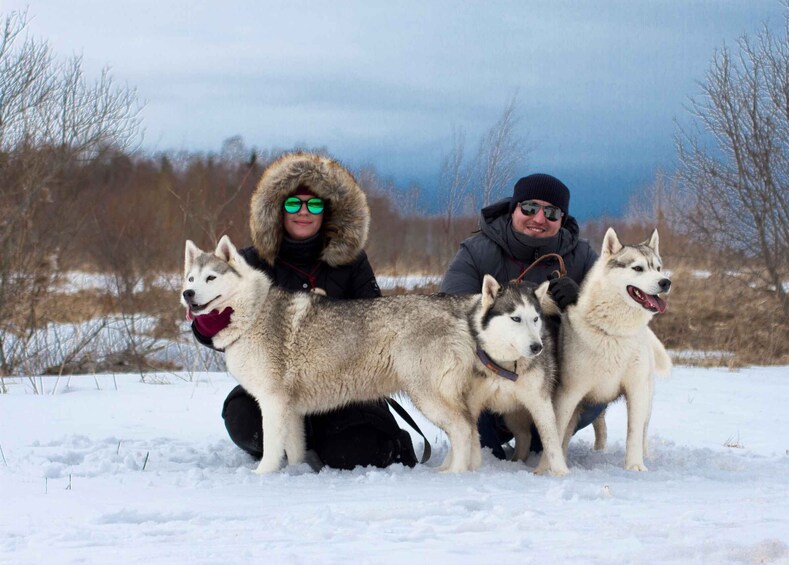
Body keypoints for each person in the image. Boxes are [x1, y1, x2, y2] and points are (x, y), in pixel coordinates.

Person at [190, 151, 417, 470]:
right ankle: (287, 447)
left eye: (314, 204)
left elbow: (376, 318)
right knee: (243, 421)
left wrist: (326, 315)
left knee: (357, 453)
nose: (303, 213)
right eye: (293, 204)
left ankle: (358, 441)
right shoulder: (249, 262)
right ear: (278, 210)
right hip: (278, 381)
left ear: (328, 212)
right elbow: (207, 327)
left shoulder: (351, 261)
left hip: (341, 383)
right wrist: (208, 322)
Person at [440, 173, 606, 460]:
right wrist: (521, 298)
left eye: (552, 213)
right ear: (514, 209)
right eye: (529, 208)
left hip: (554, 382)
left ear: (562, 219)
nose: (539, 219)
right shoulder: (478, 251)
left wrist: (581, 301)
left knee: (595, 390)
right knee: (483, 435)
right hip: (488, 381)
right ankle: (495, 429)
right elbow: (450, 310)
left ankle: (546, 433)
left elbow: (612, 318)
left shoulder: (581, 255)